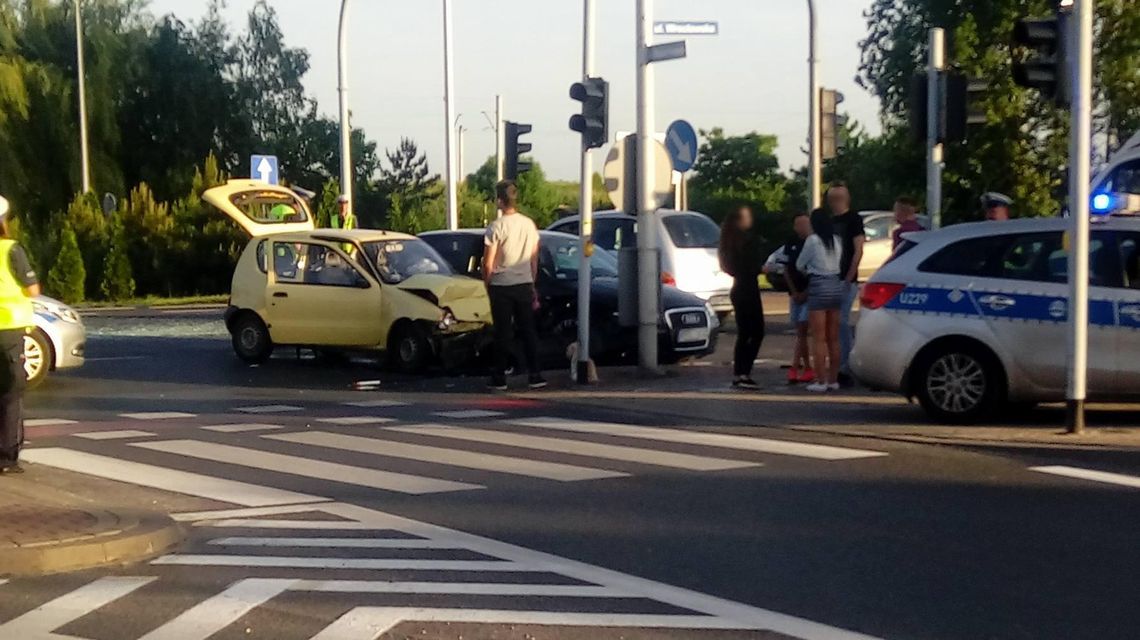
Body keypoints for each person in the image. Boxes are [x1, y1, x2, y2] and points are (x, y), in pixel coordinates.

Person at [483, 180, 545, 391]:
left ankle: (499, 376)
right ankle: (535, 374)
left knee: (503, 332)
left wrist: (487, 282)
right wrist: (532, 281)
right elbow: (534, 258)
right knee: (528, 330)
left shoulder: (496, 227)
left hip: (501, 285)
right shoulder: (529, 225)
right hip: (524, 282)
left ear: (500, 200)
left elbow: (488, 262)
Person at [0, 196, 38, 475]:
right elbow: (32, 289)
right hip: (9, 330)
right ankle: (7, 457)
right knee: (11, 392)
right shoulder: (11, 249)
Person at [796, 209, 844, 392]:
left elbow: (800, 264)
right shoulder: (837, 241)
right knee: (833, 338)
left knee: (819, 338)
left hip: (818, 285)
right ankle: (833, 379)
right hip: (835, 285)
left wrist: (808, 270)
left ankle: (820, 380)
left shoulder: (812, 241)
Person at [718, 205, 765, 389]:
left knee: (744, 332)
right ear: (740, 220)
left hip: (738, 287)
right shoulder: (748, 241)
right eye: (747, 216)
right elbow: (754, 265)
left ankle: (740, 372)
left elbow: (728, 267)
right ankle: (744, 372)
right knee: (756, 331)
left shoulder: (727, 242)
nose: (750, 219)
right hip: (749, 287)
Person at [764, 212, 814, 384]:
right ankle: (807, 367)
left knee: (802, 330)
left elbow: (816, 273)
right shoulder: (791, 243)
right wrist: (793, 292)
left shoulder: (814, 244)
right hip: (795, 292)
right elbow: (785, 269)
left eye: (805, 224)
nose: (802, 228)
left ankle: (795, 367)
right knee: (800, 332)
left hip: (810, 293)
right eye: (799, 224)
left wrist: (806, 293)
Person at [825, 181, 863, 386]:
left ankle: (845, 366)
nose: (835, 202)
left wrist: (849, 277)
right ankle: (837, 364)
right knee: (832, 324)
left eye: (839, 197)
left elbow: (858, 249)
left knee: (841, 322)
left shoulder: (853, 220)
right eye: (832, 198)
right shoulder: (830, 221)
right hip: (829, 278)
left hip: (845, 279)